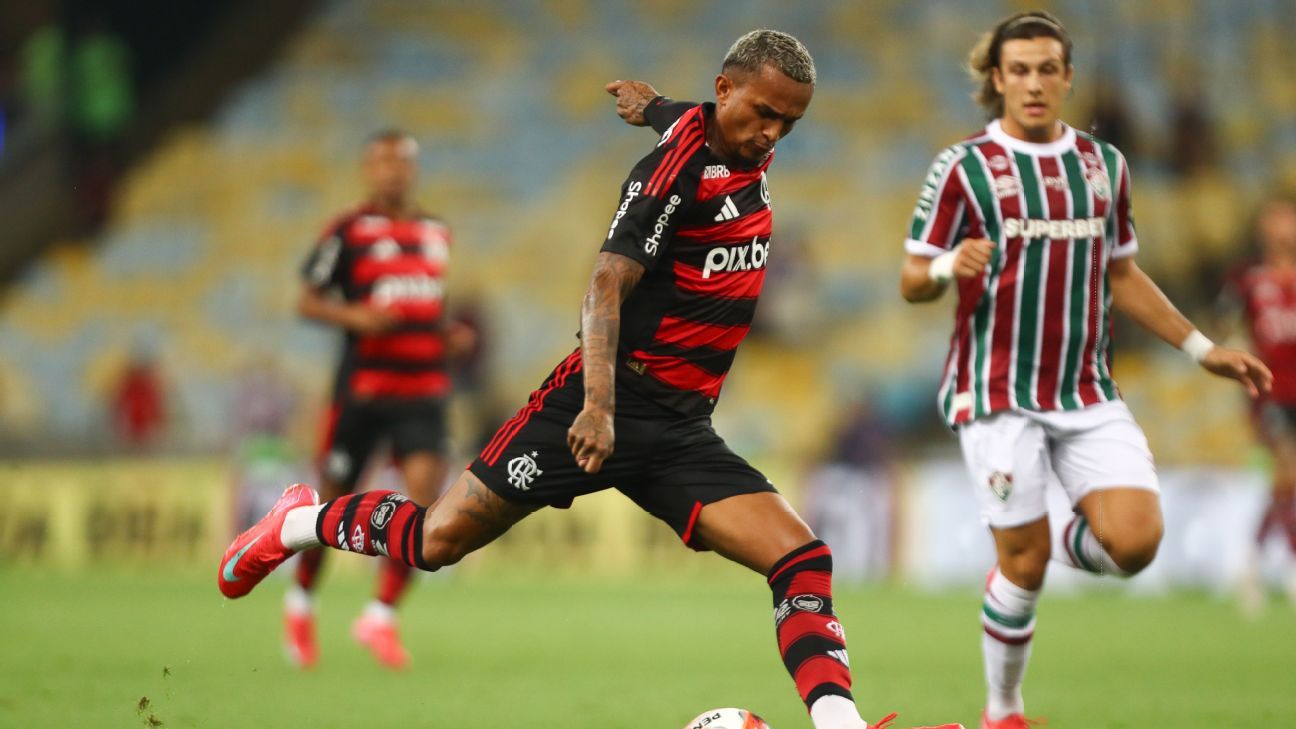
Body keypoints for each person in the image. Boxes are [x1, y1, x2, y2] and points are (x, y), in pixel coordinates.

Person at [222, 30, 960, 729]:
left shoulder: (730, 138)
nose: (772, 134)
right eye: (764, 114)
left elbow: (694, 121)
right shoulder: (672, 171)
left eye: (789, 124)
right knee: (436, 539)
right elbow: (605, 282)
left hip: (677, 430)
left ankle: (840, 722)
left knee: (802, 556)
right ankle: (296, 520)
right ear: (725, 89)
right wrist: (600, 407)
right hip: (596, 404)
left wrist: (654, 106)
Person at [896, 11, 1271, 729]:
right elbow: (912, 276)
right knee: (1026, 567)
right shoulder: (963, 166)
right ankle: (1003, 712)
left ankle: (1030, 532)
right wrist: (948, 264)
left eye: (1047, 69)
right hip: (995, 390)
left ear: (1067, 78)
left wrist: (1201, 349)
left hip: (1085, 388)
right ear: (997, 80)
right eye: (1020, 70)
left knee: (1134, 543)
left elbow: (1122, 274)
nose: (1034, 83)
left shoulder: (1104, 166)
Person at [289, 129, 475, 670]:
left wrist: (447, 336)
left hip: (423, 389)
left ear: (413, 170)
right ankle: (301, 604)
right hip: (363, 390)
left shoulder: (436, 232)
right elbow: (306, 300)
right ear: (369, 170)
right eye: (383, 162)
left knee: (424, 508)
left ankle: (380, 617)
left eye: (402, 162)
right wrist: (355, 316)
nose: (393, 171)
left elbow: (424, 304)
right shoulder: (348, 230)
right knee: (330, 504)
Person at [1221, 196, 1296, 614]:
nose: (1284, 228)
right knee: (1288, 472)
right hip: (1271, 391)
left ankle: (1249, 560)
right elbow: (1224, 323)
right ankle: (1290, 567)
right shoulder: (1248, 280)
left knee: (1285, 484)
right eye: (1277, 220)